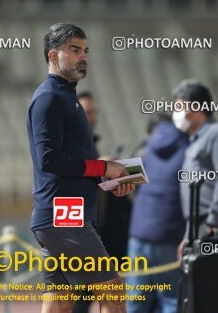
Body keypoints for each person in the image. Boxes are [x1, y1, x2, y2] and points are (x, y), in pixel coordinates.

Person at [26, 23, 135, 313]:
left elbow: (71, 166)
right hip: (64, 214)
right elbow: (48, 160)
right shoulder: (50, 98)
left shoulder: (66, 98)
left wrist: (110, 180)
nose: (83, 56)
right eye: (74, 50)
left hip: (63, 213)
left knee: (60, 301)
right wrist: (102, 167)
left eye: (85, 50)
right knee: (111, 287)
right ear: (52, 56)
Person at [72, 92, 132, 313]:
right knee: (75, 302)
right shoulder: (65, 143)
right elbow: (67, 175)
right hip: (76, 235)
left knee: (109, 300)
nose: (92, 118)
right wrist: (101, 166)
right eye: (86, 112)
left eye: (93, 112)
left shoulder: (88, 144)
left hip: (101, 235)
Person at [173, 80, 218, 261]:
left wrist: (213, 221)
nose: (177, 113)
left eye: (180, 107)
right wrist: (189, 235)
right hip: (198, 224)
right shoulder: (194, 140)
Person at [127, 114, 188, 313]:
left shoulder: (146, 149)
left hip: (140, 232)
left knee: (136, 298)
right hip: (169, 233)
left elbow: (125, 183)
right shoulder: (187, 148)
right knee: (170, 299)